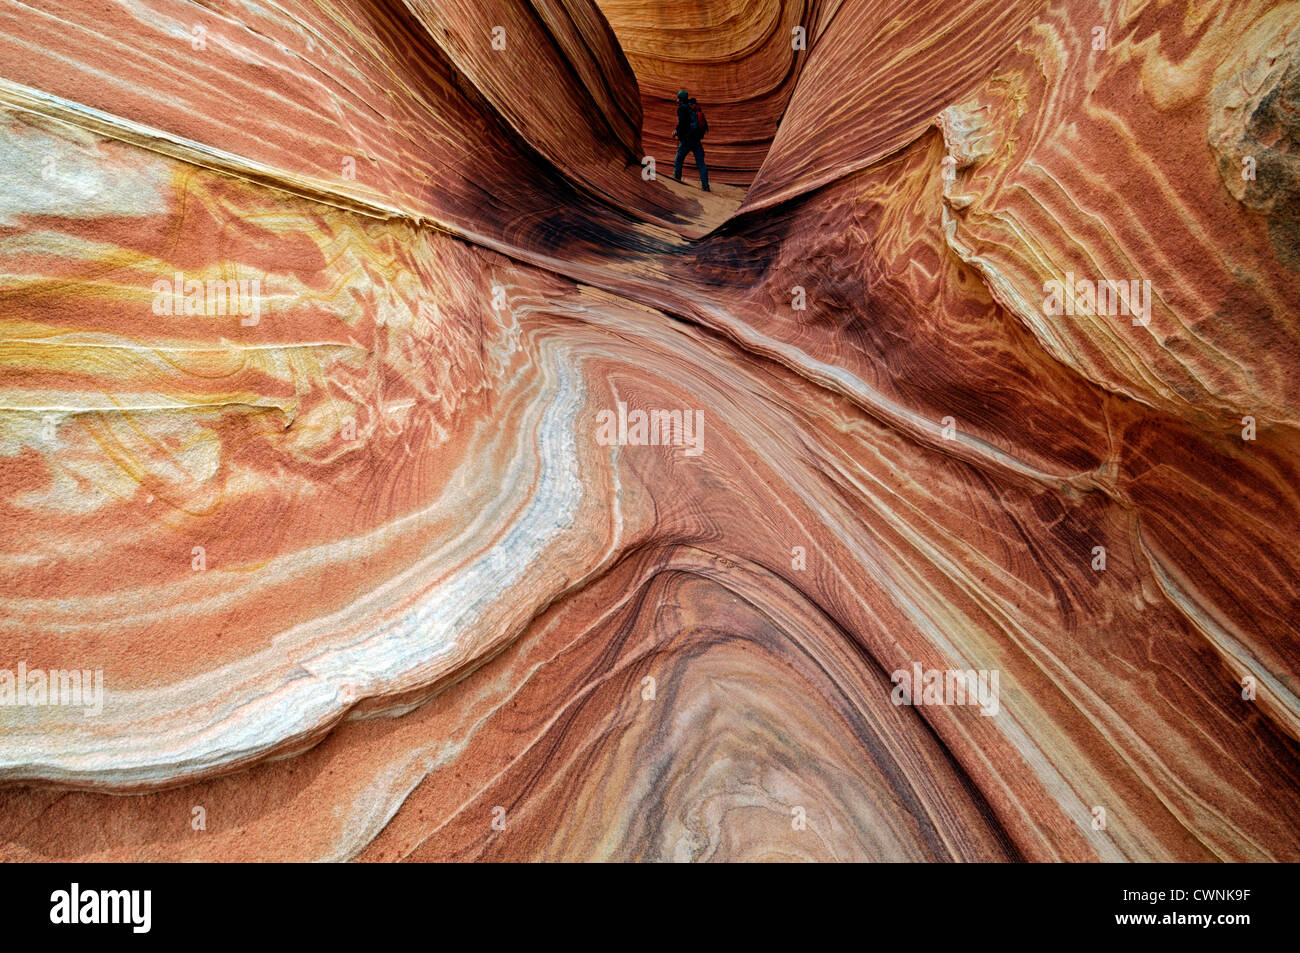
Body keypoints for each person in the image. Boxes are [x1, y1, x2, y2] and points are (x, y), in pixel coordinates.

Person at [672, 89, 710, 191]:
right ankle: (706, 186)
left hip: (687, 140)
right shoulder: (693, 106)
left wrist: (677, 132)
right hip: (696, 139)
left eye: (678, 98)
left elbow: (682, 124)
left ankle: (677, 180)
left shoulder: (682, 109)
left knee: (678, 160)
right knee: (701, 163)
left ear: (680, 99)